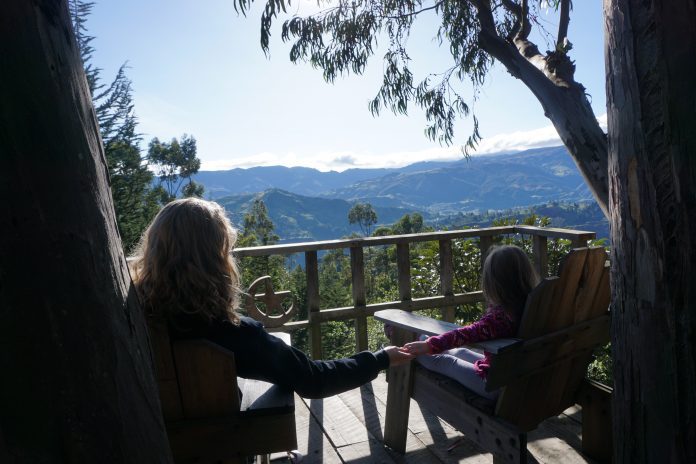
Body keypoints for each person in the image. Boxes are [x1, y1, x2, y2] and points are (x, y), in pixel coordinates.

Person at [130, 198, 413, 399]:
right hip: (228, 446)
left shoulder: (134, 318)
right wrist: (378, 359)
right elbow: (314, 380)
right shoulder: (233, 335)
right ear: (216, 260)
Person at [402, 245, 540, 400]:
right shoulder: (533, 306)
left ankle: (410, 346)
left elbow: (467, 334)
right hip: (516, 374)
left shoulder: (500, 318)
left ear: (493, 284)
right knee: (460, 352)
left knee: (448, 362)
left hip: (496, 385)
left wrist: (429, 345)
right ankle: (420, 339)